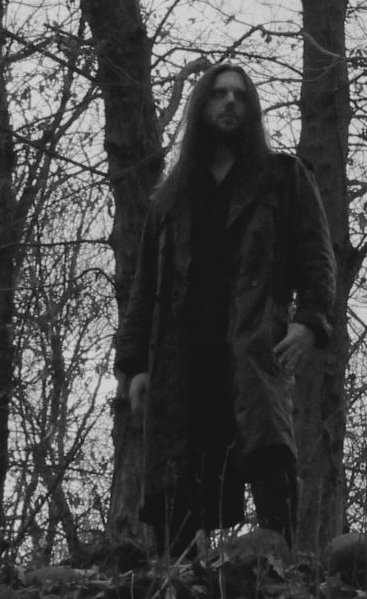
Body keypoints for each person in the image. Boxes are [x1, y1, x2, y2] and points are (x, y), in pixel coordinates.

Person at [114, 63, 336, 556]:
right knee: (176, 491)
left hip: (254, 346)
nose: (230, 101)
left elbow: (317, 258)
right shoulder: (169, 199)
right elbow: (144, 288)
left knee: (270, 462)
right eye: (219, 94)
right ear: (201, 108)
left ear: (252, 109)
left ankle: (281, 572)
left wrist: (309, 322)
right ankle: (179, 581)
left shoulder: (282, 178)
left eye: (240, 95)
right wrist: (135, 365)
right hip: (181, 361)